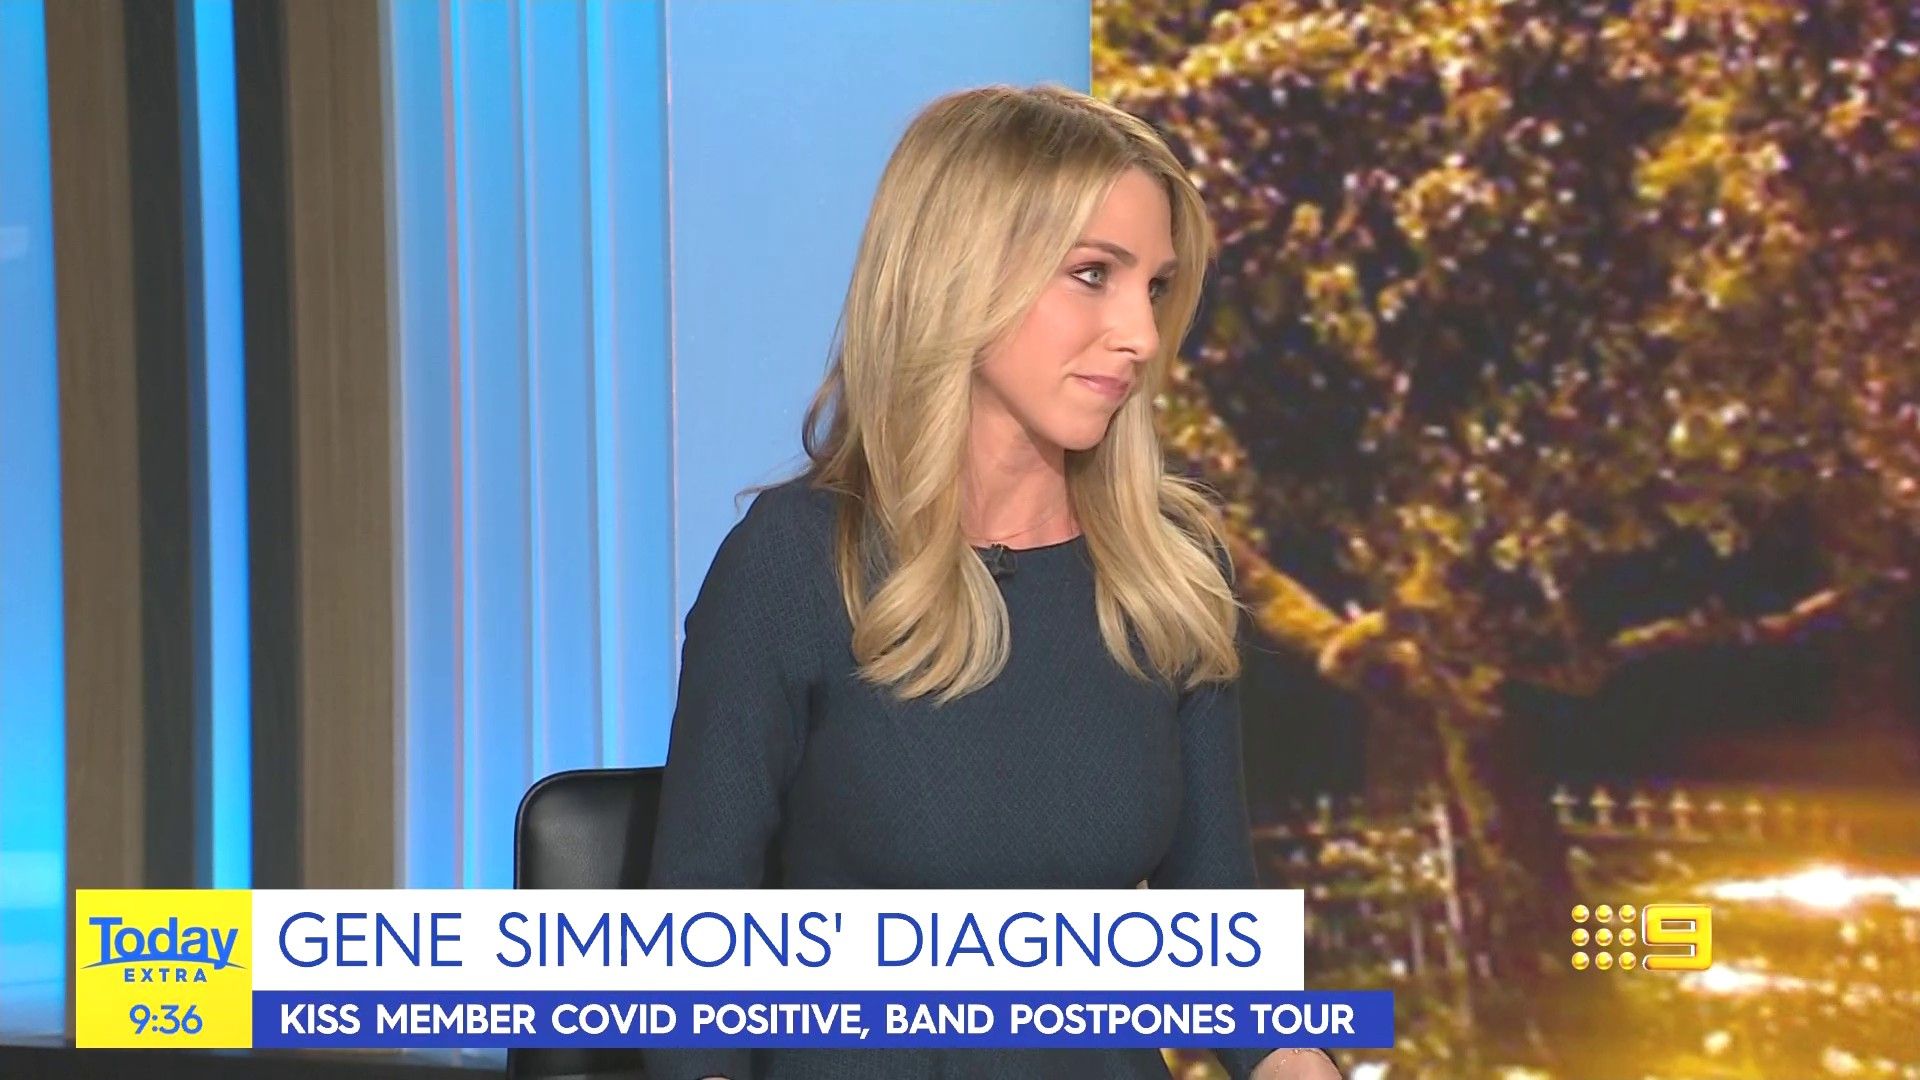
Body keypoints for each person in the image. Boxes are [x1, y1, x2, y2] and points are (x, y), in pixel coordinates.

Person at [642, 83, 1342, 1080]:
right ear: (960, 276)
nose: (1141, 337)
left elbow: (1222, 947)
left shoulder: (1171, 573)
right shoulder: (797, 565)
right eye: (1093, 275)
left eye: (1154, 287)